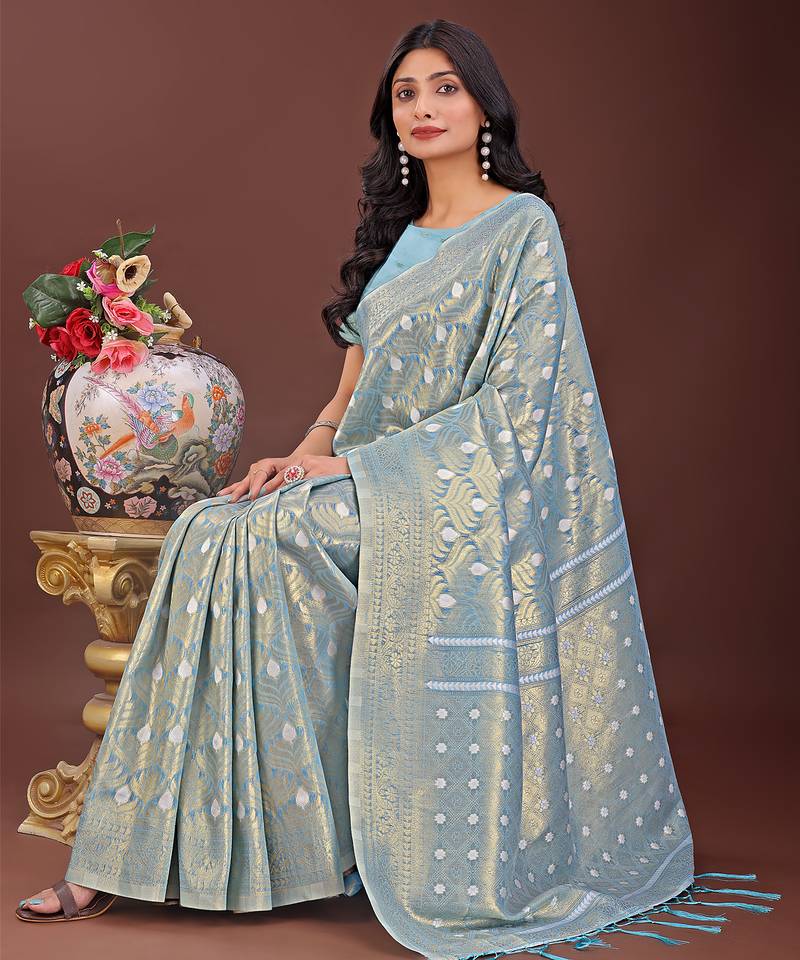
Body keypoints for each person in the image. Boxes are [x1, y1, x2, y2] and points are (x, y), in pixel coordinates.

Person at [17, 17, 780, 959]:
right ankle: (149, 853)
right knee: (213, 528)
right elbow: (348, 399)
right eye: (406, 93)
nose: (424, 107)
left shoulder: (522, 229)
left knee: (267, 538)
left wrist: (351, 470)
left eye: (445, 88)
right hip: (363, 478)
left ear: (485, 106)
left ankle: (244, 848)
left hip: (457, 503)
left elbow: (523, 405)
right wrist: (297, 456)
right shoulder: (396, 241)